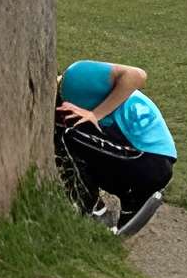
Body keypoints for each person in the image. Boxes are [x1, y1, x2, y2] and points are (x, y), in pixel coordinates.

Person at [54, 57, 177, 239]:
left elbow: (137, 75)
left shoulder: (75, 77)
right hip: (149, 161)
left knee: (68, 137)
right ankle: (124, 205)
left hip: (149, 159)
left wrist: (95, 114)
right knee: (70, 135)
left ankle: (91, 209)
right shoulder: (75, 93)